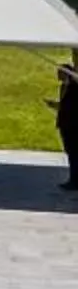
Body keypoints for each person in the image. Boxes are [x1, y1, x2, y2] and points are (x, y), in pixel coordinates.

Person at [56, 49, 78, 189]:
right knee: (71, 153)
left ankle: (75, 181)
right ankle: (74, 178)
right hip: (66, 125)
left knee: (75, 154)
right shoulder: (65, 86)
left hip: (74, 125)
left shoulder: (74, 85)